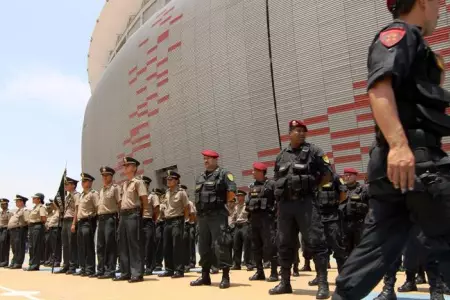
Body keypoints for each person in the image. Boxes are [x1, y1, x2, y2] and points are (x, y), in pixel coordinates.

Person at [332, 1, 450, 299]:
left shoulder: (417, 46)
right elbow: (379, 87)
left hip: (399, 166)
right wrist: (399, 145)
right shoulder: (400, 32)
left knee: (376, 249)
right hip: (416, 160)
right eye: (437, 2)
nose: (441, 9)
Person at [269, 120, 331, 298]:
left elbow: (327, 174)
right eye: (298, 130)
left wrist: (312, 187)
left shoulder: (314, 151)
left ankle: (322, 284)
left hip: (306, 204)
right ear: (289, 133)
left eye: (304, 131)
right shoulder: (281, 156)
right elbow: (276, 178)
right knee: (284, 243)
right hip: (285, 206)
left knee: (316, 242)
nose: (302, 133)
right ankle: (285, 282)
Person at [190, 149, 237, 289]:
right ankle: (205, 276)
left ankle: (225, 276)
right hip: (203, 217)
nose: (206, 161)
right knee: (203, 246)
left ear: (216, 159)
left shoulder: (224, 174)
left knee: (221, 245)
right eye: (204, 158)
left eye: (209, 158)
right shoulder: (200, 176)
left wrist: (229, 207)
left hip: (217, 215)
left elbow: (232, 191)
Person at [114, 157, 148, 283]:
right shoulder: (125, 184)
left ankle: (137, 273)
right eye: (125, 166)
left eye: (128, 165)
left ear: (134, 168)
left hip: (133, 214)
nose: (125, 168)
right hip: (123, 215)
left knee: (134, 244)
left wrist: (143, 216)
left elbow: (145, 200)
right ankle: (125, 272)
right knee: (123, 244)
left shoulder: (138, 182)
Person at [247, 162, 279, 282]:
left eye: (254, 170)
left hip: (267, 219)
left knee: (270, 245)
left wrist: (275, 216)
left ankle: (274, 273)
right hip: (254, 219)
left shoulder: (271, 184)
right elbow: (249, 202)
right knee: (256, 246)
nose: (252, 172)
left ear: (260, 172)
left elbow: (278, 201)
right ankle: (259, 272)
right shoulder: (252, 186)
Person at [159, 171, 189, 278]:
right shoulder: (166, 193)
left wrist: (185, 221)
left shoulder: (181, 192)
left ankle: (179, 270)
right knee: (167, 246)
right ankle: (169, 269)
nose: (168, 181)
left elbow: (186, 208)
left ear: (176, 181)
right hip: (167, 221)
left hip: (177, 220)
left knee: (177, 246)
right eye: (167, 179)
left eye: (171, 179)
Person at [96, 166, 120, 279]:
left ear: (111, 176)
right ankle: (101, 269)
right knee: (100, 245)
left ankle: (110, 270)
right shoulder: (101, 190)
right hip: (101, 219)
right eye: (103, 176)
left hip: (111, 218)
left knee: (110, 245)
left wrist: (119, 220)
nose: (104, 178)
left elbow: (119, 204)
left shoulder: (115, 188)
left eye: (106, 175)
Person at [74, 173, 99, 277]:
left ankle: (90, 269)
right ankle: (83, 267)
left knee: (88, 245)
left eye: (85, 181)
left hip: (88, 221)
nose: (83, 183)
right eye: (82, 181)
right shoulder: (81, 195)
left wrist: (94, 220)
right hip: (80, 222)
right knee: (81, 246)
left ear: (90, 182)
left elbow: (98, 208)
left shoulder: (93, 194)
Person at [340, 168, 369, 253]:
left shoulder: (363, 190)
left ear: (355, 176)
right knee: (346, 250)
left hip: (359, 224)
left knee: (361, 249)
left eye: (350, 175)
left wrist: (359, 206)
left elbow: (370, 207)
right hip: (344, 225)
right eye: (345, 175)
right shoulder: (342, 191)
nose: (347, 177)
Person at [55, 177, 80, 274]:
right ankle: (66, 265)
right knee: (65, 244)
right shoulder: (67, 197)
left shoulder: (76, 195)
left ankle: (72, 266)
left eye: (67, 184)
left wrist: (74, 223)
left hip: (71, 221)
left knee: (71, 244)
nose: (65, 186)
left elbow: (77, 210)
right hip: (65, 221)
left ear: (73, 185)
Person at [142, 178, 160, 276]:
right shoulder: (139, 196)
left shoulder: (152, 196)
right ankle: (141, 266)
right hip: (140, 222)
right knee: (141, 245)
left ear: (148, 185)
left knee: (149, 245)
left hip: (149, 220)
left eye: (144, 184)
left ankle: (149, 267)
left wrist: (154, 220)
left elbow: (157, 209)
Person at [231, 190, 252, 271]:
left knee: (247, 245)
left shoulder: (247, 205)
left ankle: (248, 263)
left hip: (245, 225)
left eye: (240, 196)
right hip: (237, 226)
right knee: (236, 246)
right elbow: (233, 216)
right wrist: (232, 224)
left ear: (243, 197)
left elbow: (250, 215)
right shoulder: (236, 206)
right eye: (238, 196)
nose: (238, 198)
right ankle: (236, 264)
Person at [25, 193, 47, 271]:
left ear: (39, 199)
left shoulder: (41, 207)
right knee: (31, 246)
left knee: (36, 246)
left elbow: (44, 218)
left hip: (37, 227)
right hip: (32, 227)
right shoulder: (35, 207)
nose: (33, 199)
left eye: (35, 198)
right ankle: (32, 264)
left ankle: (35, 265)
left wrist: (38, 224)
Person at [7, 195, 29, 269]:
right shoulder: (17, 210)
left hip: (19, 230)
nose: (16, 202)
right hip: (14, 231)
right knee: (14, 247)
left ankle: (18, 263)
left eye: (17, 201)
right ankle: (14, 261)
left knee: (19, 247)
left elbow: (27, 221)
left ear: (22, 202)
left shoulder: (24, 210)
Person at [47, 200, 62, 269]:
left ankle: (57, 261)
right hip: (52, 229)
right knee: (53, 246)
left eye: (53, 204)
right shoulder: (55, 212)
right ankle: (54, 259)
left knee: (57, 246)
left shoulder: (59, 211)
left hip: (56, 229)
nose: (51, 206)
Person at [0, 198, 12, 267]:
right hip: (0, 230)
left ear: (7, 205)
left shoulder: (9, 213)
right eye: (1, 204)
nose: (2, 205)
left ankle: (5, 261)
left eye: (3, 204)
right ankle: (1, 261)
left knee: (4, 246)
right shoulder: (0, 212)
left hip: (5, 230)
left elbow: (10, 223)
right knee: (0, 246)